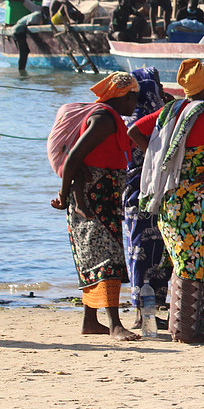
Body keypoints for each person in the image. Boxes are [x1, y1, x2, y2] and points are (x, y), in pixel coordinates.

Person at [129, 59, 204, 343]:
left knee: (182, 260)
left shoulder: (169, 111)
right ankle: (187, 331)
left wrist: (159, 155)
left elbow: (134, 131)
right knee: (197, 259)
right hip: (199, 200)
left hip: (171, 197)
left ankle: (184, 328)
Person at [50, 72, 141, 341]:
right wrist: (65, 196)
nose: (135, 103)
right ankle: (114, 325)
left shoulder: (106, 117)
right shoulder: (104, 119)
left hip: (97, 193)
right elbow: (74, 157)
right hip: (94, 197)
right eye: (134, 97)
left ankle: (90, 321)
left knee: (92, 257)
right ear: (124, 96)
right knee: (108, 258)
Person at [121, 67, 171, 328]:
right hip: (146, 193)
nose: (162, 90)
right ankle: (145, 315)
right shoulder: (149, 118)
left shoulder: (131, 116)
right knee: (147, 253)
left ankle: (147, 313)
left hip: (135, 193)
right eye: (158, 84)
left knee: (144, 251)